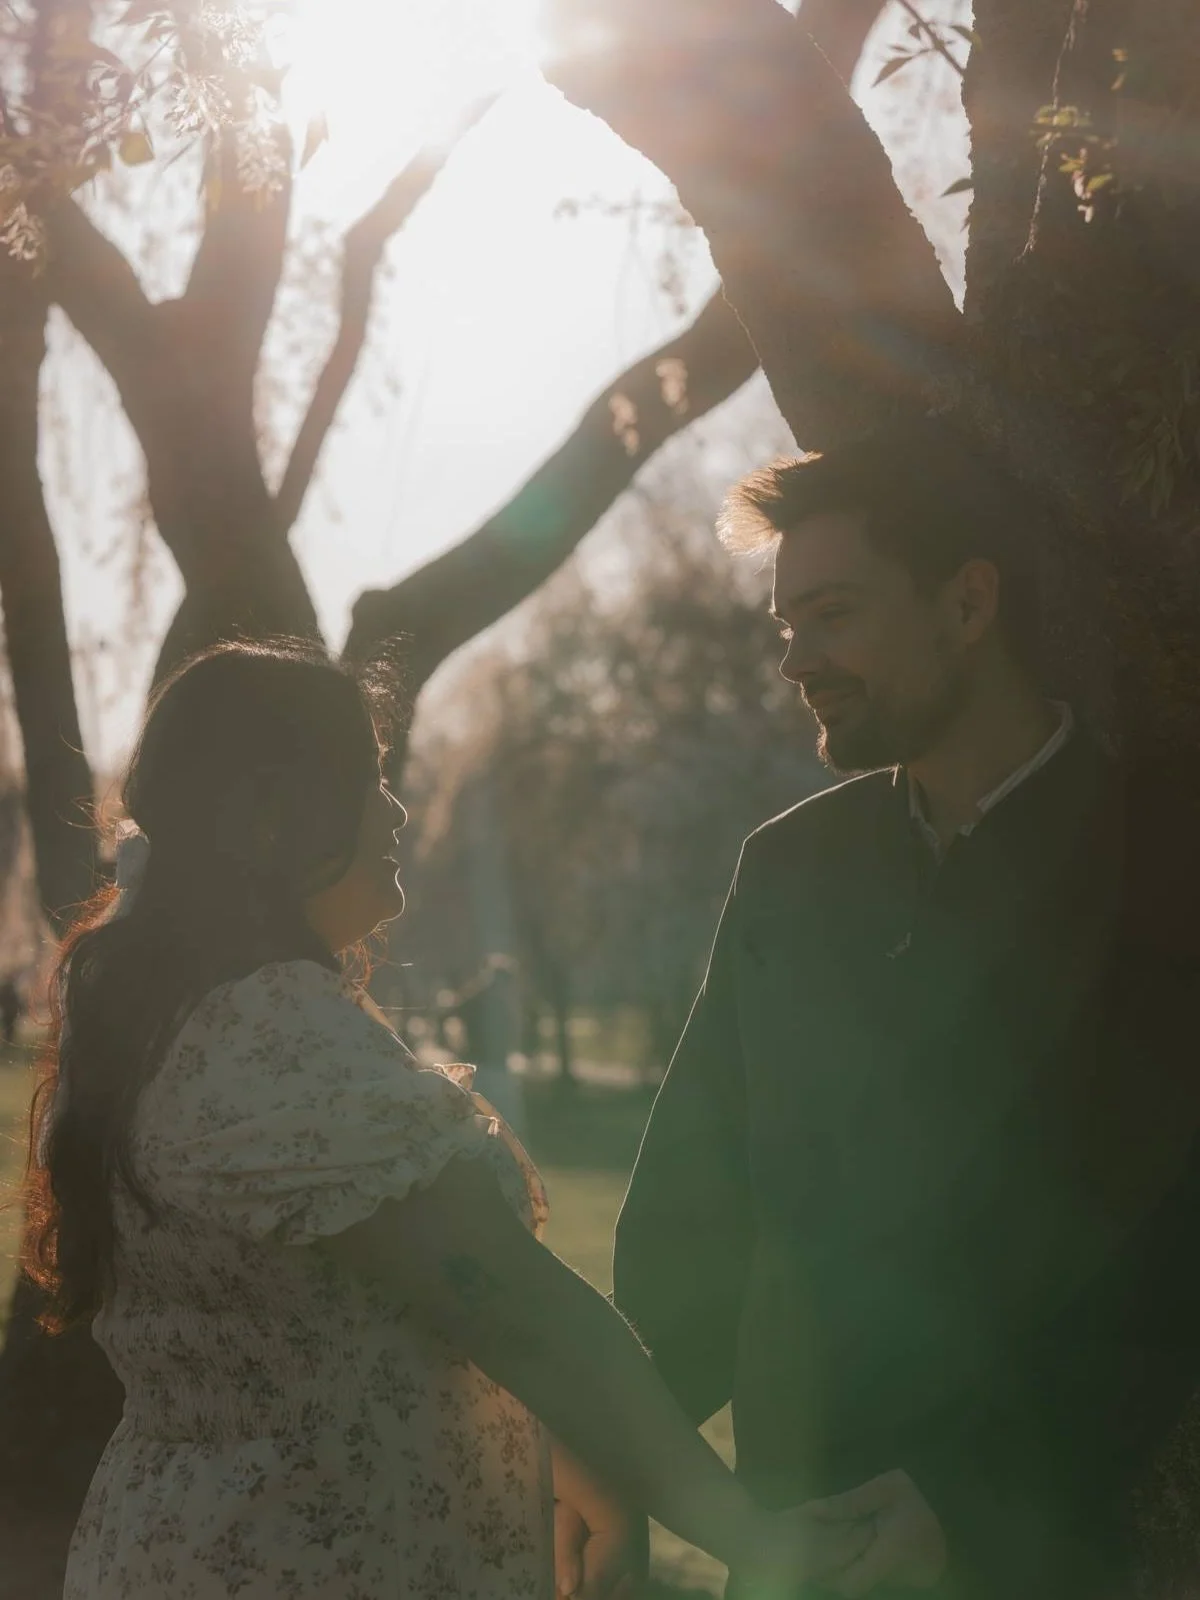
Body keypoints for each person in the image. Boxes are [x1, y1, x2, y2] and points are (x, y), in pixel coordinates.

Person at [22, 641, 938, 1600]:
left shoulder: (172, 1012)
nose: (397, 808)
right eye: (368, 779)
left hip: (200, 1543)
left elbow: (380, 1319)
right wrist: (747, 1530)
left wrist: (584, 1476)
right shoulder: (268, 1031)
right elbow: (514, 1309)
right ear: (268, 818)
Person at [613, 422, 1200, 1600]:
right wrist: (620, 1453)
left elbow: (1166, 1259)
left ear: (968, 603)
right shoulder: (790, 869)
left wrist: (973, 1502)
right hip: (805, 1550)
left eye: (833, 614)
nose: (796, 662)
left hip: (1053, 1556)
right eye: (788, 626)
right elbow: (693, 1202)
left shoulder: (1161, 860)